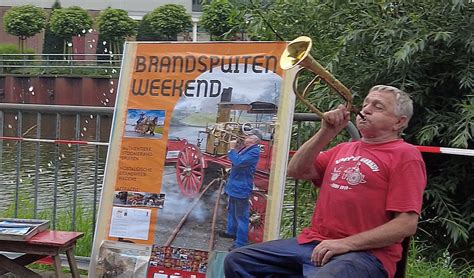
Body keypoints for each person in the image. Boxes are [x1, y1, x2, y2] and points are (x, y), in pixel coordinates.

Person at [224, 85, 427, 278]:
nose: (366, 109)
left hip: (366, 254)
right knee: (238, 260)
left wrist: (345, 244)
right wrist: (326, 132)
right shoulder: (343, 149)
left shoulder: (405, 155)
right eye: (366, 103)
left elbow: (405, 225)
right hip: (314, 243)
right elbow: (296, 170)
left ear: (399, 122)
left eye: (378, 106)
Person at [219, 128, 263, 251]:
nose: (245, 138)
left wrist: (232, 149)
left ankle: (240, 243)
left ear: (254, 140)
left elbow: (238, 162)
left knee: (242, 216)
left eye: (248, 136)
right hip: (235, 186)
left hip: (241, 187)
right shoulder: (247, 149)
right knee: (231, 210)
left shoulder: (254, 151)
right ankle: (231, 231)